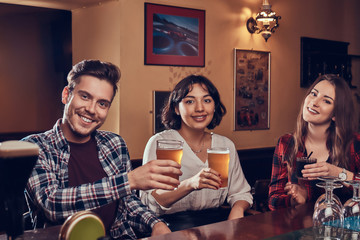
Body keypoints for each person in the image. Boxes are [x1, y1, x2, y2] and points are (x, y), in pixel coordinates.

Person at [22, 60, 182, 239]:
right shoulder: (34, 147)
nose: (91, 109)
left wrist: (155, 223)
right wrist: (128, 182)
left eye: (102, 103)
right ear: (66, 95)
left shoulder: (114, 143)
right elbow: (50, 204)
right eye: (85, 96)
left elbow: (127, 202)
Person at [140, 75, 252, 228]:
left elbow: (241, 193)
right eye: (190, 101)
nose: (200, 108)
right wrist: (190, 184)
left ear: (214, 106)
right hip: (170, 228)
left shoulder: (225, 145)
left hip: (217, 226)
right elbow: (148, 202)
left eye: (206, 100)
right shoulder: (160, 143)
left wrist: (237, 210)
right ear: (176, 108)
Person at [268, 74, 360, 211]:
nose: (314, 102)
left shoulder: (354, 143)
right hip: (298, 230)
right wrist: (295, 199)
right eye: (313, 94)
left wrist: (339, 173)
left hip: (345, 229)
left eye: (327, 101)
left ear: (336, 114)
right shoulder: (286, 143)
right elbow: (273, 200)